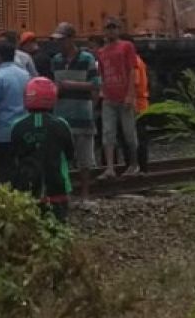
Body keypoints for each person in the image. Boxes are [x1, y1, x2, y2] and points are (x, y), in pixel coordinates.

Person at [10, 77, 75, 223]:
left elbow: (13, 156)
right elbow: (70, 154)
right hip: (58, 187)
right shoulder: (61, 124)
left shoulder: (17, 126)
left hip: (26, 189)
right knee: (58, 227)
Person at [49, 22, 100, 200]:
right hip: (61, 114)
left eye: (61, 40)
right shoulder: (55, 60)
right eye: (57, 41)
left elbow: (96, 85)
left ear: (71, 39)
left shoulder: (87, 59)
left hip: (82, 114)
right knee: (60, 157)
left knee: (84, 158)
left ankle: (85, 194)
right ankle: (65, 192)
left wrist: (71, 85)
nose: (58, 44)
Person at [0, 40, 31, 184]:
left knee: (4, 168)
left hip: (3, 132)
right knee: (22, 166)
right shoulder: (25, 75)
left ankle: (9, 196)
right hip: (23, 129)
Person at [96, 17, 140, 178]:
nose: (111, 30)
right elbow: (101, 73)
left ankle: (134, 164)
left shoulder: (127, 46)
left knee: (129, 132)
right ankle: (109, 168)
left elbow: (131, 70)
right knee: (108, 133)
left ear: (119, 30)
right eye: (108, 28)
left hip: (124, 97)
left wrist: (130, 94)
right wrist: (102, 92)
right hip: (109, 97)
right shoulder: (101, 52)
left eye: (114, 27)